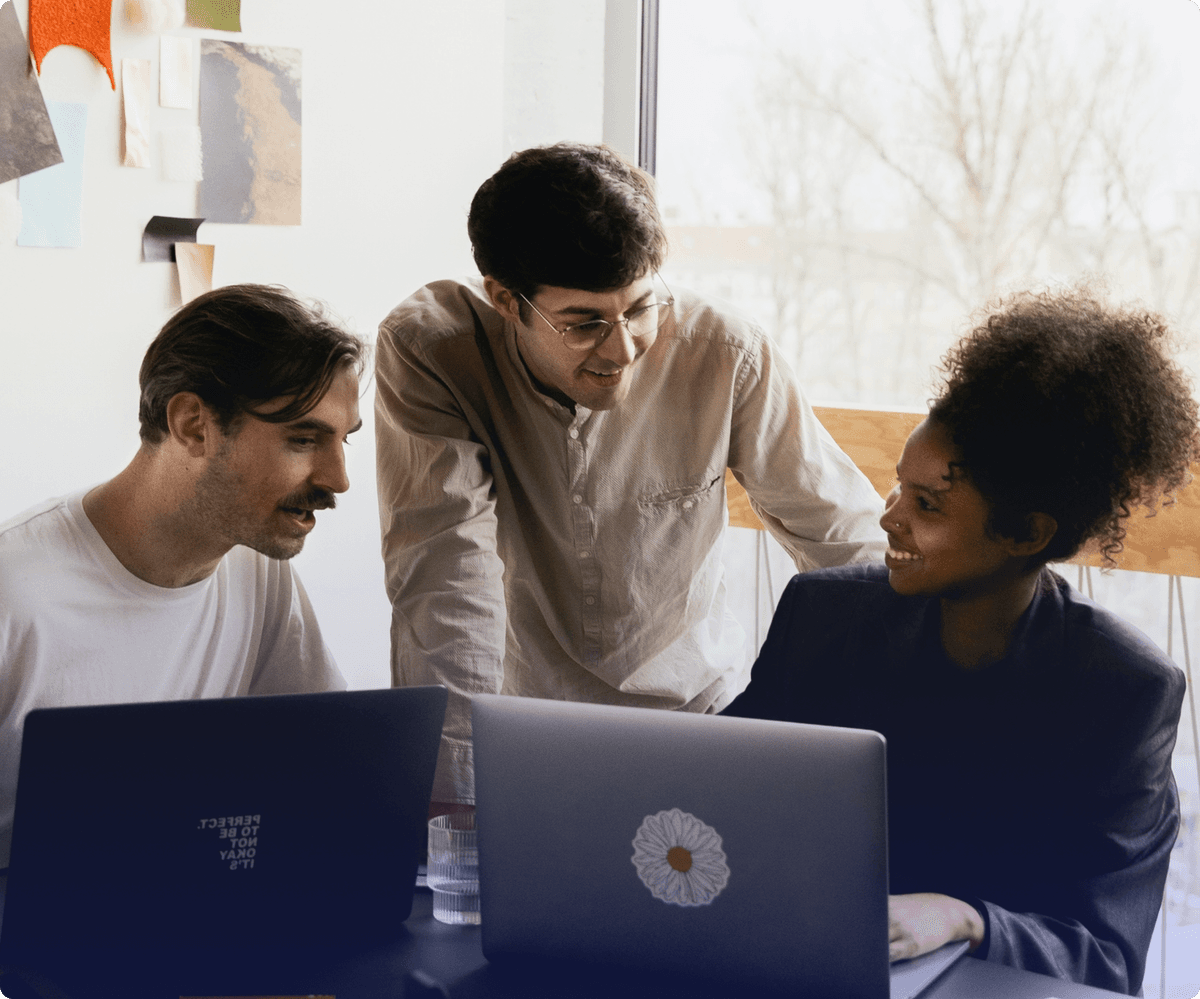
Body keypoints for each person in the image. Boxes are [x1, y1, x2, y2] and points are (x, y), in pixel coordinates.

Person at [375, 143, 887, 809]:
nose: (622, 350)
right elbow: (447, 578)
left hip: (702, 720)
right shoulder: (433, 352)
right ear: (505, 299)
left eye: (641, 308)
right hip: (523, 730)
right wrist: (455, 791)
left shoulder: (726, 351)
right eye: (584, 324)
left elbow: (843, 535)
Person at [724, 287, 1197, 995]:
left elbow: (1105, 955)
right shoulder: (823, 616)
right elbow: (715, 790)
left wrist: (966, 917)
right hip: (802, 968)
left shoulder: (1121, 688)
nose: (888, 518)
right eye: (897, 487)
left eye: (928, 505)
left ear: (1028, 532)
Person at [0, 284, 365, 866]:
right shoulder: (14, 593)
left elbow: (325, 775)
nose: (339, 478)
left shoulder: (257, 570)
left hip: (186, 916)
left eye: (344, 441)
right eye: (303, 438)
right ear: (194, 424)